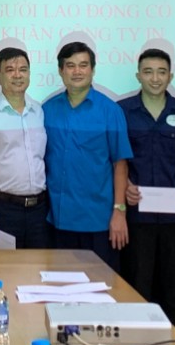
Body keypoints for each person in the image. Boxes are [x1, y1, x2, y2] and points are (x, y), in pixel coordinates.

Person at [118, 48, 175, 327]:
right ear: (138, 75)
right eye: (148, 72)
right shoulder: (123, 110)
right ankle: (139, 342)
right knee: (139, 284)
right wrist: (126, 186)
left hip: (174, 215)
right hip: (137, 215)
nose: (155, 78)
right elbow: (118, 159)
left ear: (170, 76)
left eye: (161, 72)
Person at [43, 42, 133, 270]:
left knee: (101, 286)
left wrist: (119, 212)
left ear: (92, 70)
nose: (77, 71)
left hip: (99, 222)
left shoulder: (110, 111)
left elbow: (120, 165)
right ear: (61, 71)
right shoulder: (47, 110)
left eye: (83, 65)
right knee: (60, 286)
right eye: (70, 65)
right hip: (58, 221)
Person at [0, 47, 51, 249]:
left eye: (23, 69)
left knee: (37, 266)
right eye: (10, 70)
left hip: (39, 211)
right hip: (4, 210)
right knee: (4, 266)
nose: (17, 75)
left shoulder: (39, 112)